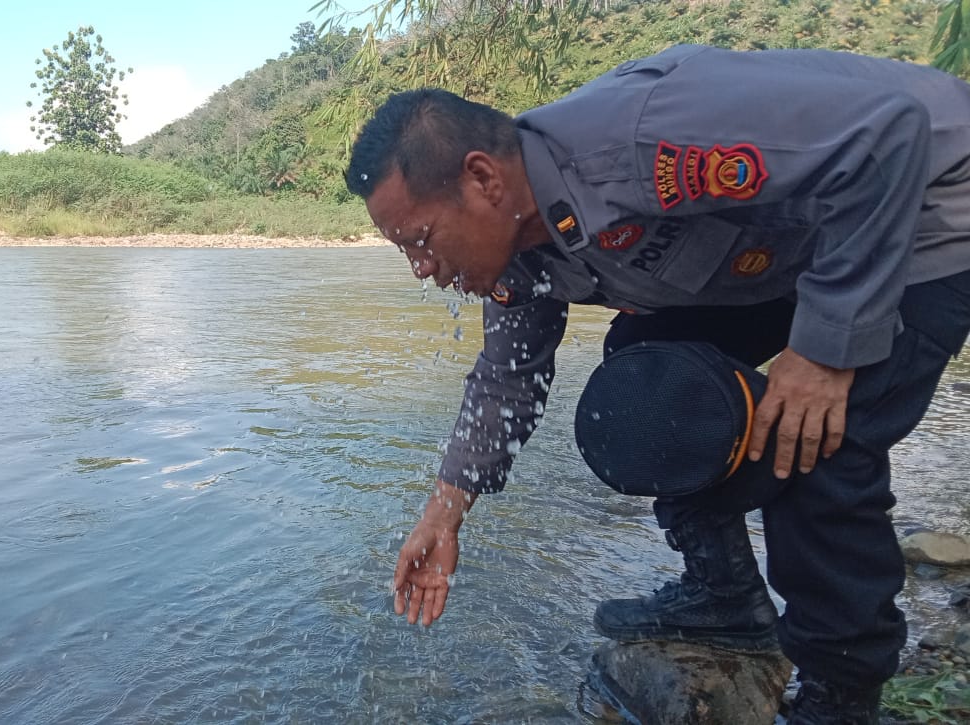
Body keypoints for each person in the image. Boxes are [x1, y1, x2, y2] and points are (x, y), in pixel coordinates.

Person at [345, 44, 970, 724]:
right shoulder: (521, 250)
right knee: (641, 381)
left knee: (814, 438)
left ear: (482, 179)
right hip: (802, 247)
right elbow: (507, 380)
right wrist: (445, 509)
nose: (421, 267)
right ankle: (724, 591)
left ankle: (839, 691)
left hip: (921, 212)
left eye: (422, 238)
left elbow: (888, 134)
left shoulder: (639, 139)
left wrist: (823, 349)